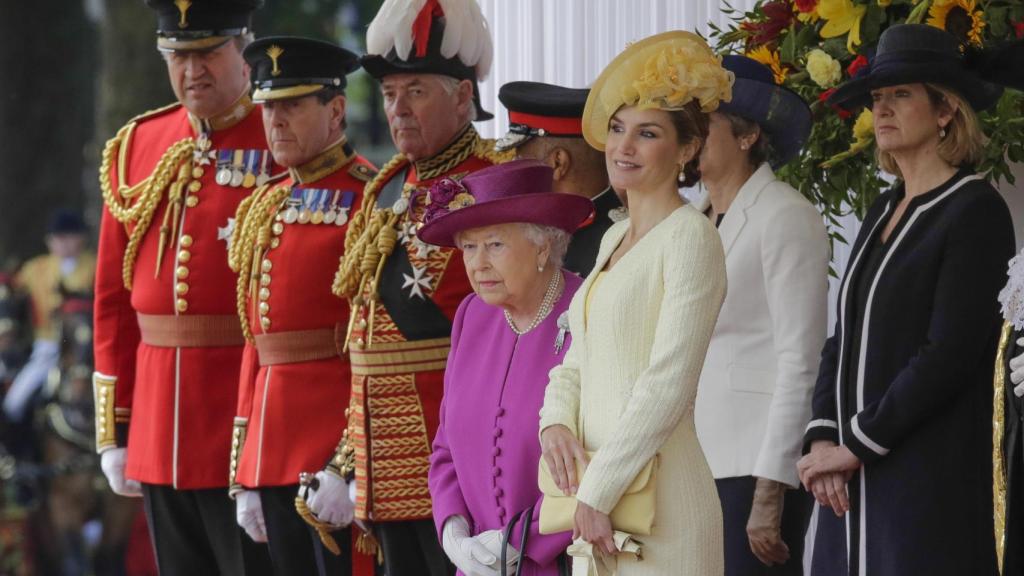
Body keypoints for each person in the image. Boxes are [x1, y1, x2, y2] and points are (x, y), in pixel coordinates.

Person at [797, 24, 1015, 576]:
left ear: (945, 111)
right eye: (877, 98)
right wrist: (824, 438)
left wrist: (858, 444)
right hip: (847, 483)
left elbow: (951, 352)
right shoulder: (880, 210)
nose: (883, 110)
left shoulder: (975, 210)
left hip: (922, 482)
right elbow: (841, 336)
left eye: (901, 95)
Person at [321, 0, 510, 574]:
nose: (397, 109)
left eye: (416, 92)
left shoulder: (494, 183)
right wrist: (346, 459)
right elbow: (364, 340)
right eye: (388, 94)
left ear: (461, 95)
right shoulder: (385, 187)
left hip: (460, 457)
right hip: (382, 463)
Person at [538, 31, 732, 575]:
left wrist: (597, 492)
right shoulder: (609, 238)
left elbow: (667, 382)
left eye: (646, 134)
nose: (623, 147)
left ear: (687, 149)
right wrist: (553, 423)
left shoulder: (692, 237)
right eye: (618, 129)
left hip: (661, 504)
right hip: (595, 502)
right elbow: (576, 356)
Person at [92, 1, 275, 573]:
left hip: (243, 423)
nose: (192, 70)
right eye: (178, 55)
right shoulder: (137, 144)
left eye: (208, 53)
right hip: (154, 425)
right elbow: (113, 301)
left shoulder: (282, 135)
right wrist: (113, 427)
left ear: (245, 48)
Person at [226, 36, 377, 576]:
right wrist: (243, 469)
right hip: (270, 447)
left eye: (292, 105)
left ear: (336, 110)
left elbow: (374, 344)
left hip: (332, 444)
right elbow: (254, 344)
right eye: (269, 107)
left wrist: (352, 460)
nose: (276, 121)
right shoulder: (264, 203)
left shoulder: (370, 198)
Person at [420, 160, 591, 576]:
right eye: (468, 247)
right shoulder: (471, 315)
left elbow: (604, 451)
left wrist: (526, 541)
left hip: (567, 560)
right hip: (478, 564)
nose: (477, 264)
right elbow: (445, 448)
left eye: (494, 245)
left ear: (542, 245)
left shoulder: (589, 309)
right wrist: (453, 531)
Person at [691, 55, 827, 575]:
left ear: (747, 136)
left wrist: (772, 486)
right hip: (691, 462)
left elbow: (801, 359)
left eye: (705, 124)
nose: (691, 136)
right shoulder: (690, 220)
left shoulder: (785, 213)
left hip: (751, 464)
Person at [496, 82, 623, 276]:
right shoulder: (537, 227)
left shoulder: (623, 237)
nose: (515, 168)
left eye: (521, 159)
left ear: (557, 163)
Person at [3, 209, 95, 424]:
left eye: (69, 237)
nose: (63, 243)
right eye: (57, 238)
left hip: (83, 351)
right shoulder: (35, 268)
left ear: (81, 238)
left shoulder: (95, 266)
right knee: (15, 401)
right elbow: (12, 293)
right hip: (48, 345)